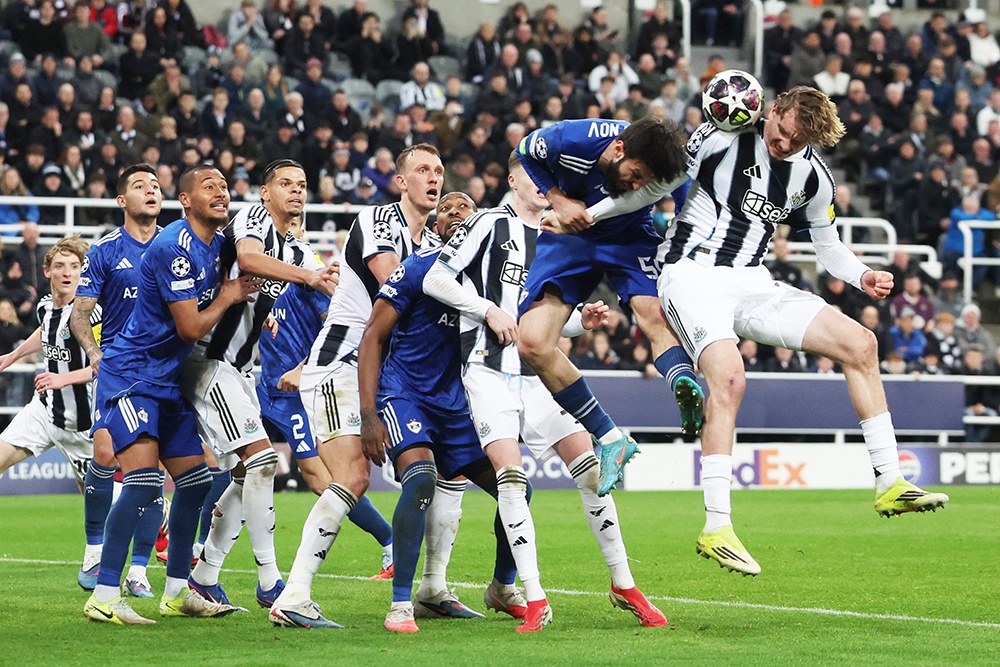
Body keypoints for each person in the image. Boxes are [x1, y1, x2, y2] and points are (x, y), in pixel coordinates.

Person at [657, 86, 949, 577]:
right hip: (692, 272)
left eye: (798, 141)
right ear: (773, 110)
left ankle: (891, 482)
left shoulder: (813, 177)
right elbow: (660, 182)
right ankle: (717, 525)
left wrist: (862, 275)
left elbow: (828, 246)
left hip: (752, 280)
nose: (785, 144)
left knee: (861, 344)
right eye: (783, 132)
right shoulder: (721, 136)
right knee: (730, 379)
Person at [424, 155, 669, 628]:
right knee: (511, 479)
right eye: (533, 177)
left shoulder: (559, 234)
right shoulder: (487, 223)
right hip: (488, 370)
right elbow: (437, 278)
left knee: (592, 470)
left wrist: (578, 321)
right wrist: (486, 310)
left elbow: (541, 319)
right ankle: (534, 597)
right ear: (512, 181)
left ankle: (624, 583)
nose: (542, 185)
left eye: (548, 179)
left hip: (539, 374)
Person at [269, 144, 445, 629]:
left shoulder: (431, 241)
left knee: (430, 470)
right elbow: (398, 287)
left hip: (383, 375)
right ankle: (293, 595)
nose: (433, 178)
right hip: (340, 365)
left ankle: (432, 586)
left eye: (439, 171)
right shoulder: (379, 221)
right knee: (351, 477)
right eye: (422, 170)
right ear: (401, 181)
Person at [82, 164, 257, 624]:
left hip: (168, 379)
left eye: (224, 186)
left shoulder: (218, 244)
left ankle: (178, 591)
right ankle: (103, 595)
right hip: (132, 376)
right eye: (208, 186)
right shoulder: (172, 247)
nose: (221, 192)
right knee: (142, 482)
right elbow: (191, 327)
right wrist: (230, 294)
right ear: (185, 199)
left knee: (196, 481)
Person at [513, 116, 702, 497]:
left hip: (630, 237)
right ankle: (611, 437)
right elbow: (524, 150)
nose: (638, 187)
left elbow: (683, 195)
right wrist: (558, 199)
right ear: (618, 149)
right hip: (569, 237)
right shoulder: (572, 139)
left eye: (647, 182)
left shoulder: (662, 164)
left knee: (654, 315)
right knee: (531, 343)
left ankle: (684, 381)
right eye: (636, 176)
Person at [356, 195, 520, 632]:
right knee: (421, 479)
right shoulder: (417, 268)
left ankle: (503, 586)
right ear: (435, 228)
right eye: (445, 209)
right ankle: (400, 604)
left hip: (457, 405)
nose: (455, 213)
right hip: (405, 394)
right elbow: (372, 336)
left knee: (515, 490)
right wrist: (368, 414)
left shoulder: (489, 283)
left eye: (465, 208)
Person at [182, 159, 338, 611]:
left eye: (302, 184)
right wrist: (309, 277)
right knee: (264, 460)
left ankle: (204, 575)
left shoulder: (298, 249)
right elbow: (249, 259)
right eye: (285, 183)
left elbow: (331, 286)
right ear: (266, 192)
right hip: (207, 359)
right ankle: (270, 580)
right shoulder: (253, 218)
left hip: (238, 369)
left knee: (244, 471)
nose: (296, 190)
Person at [255, 214, 394, 579]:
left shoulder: (313, 271)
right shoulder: (266, 272)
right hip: (265, 387)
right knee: (241, 467)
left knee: (321, 478)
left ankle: (390, 541)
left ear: (303, 232)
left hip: (298, 391)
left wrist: (302, 369)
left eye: (293, 227)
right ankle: (200, 553)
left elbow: (336, 322)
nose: (285, 234)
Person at [69, 164, 164, 597]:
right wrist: (94, 352)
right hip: (119, 368)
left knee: (153, 468)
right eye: (141, 186)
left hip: (163, 367)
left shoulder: (173, 243)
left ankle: (139, 569)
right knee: (105, 453)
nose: (151, 191)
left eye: (156, 186)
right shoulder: (106, 250)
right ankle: (94, 550)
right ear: (123, 201)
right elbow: (80, 314)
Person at [0, 236, 99, 583]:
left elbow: (106, 364)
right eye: (60, 266)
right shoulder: (45, 306)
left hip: (82, 426)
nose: (67, 273)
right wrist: (13, 355)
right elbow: (45, 330)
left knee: (101, 502)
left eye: (75, 266)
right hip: (43, 412)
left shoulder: (92, 313)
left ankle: (158, 515)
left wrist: (63, 379)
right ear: (47, 271)